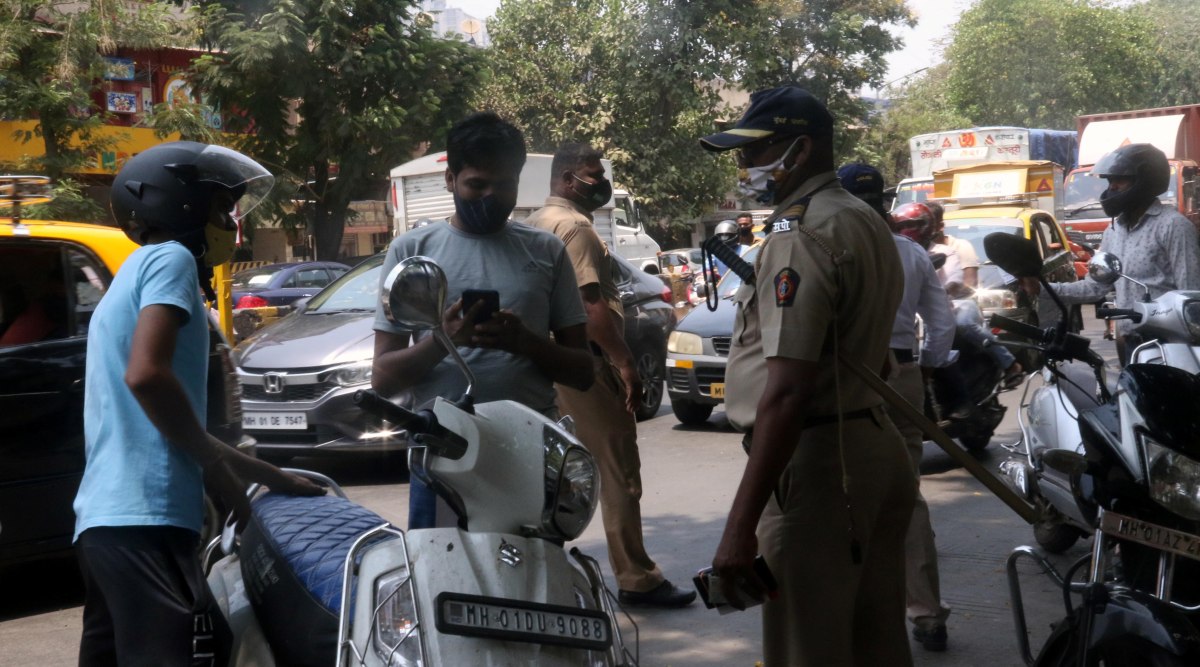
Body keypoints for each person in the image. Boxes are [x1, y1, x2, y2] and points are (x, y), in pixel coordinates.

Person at [73, 141, 325, 667]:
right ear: (179, 207)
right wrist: (218, 467)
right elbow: (147, 376)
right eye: (221, 208)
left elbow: (159, 421)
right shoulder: (172, 258)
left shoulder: (131, 276)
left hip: (105, 522)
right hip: (147, 519)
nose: (231, 225)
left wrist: (258, 474)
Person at [702, 86, 916, 666]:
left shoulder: (798, 235)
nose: (744, 168)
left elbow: (789, 390)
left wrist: (739, 529)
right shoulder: (861, 219)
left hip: (821, 467)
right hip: (870, 447)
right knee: (876, 642)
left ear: (798, 151)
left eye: (754, 153)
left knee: (808, 649)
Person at [371, 112, 595, 529]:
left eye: (505, 185)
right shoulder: (411, 252)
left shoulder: (547, 252)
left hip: (529, 451)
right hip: (441, 455)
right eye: (477, 184)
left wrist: (527, 343)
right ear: (450, 180)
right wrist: (445, 339)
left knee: (532, 585)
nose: (491, 196)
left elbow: (583, 372)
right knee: (442, 581)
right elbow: (383, 379)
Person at [526, 142, 696, 608]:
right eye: (591, 174)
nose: (601, 182)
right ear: (566, 180)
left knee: (555, 477)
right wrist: (624, 362)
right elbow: (591, 307)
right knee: (619, 472)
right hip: (588, 366)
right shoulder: (575, 227)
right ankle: (637, 577)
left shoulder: (539, 223)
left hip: (552, 365)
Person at [840, 163, 956, 651]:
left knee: (844, 493)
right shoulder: (911, 252)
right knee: (905, 495)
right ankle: (926, 612)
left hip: (848, 380)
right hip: (904, 375)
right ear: (884, 200)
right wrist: (923, 368)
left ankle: (851, 612)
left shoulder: (833, 248)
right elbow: (942, 324)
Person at [1020, 143, 1200, 364]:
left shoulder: (1173, 226)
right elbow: (1095, 287)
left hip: (1170, 345)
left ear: (1144, 181)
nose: (1111, 188)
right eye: (1109, 181)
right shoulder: (1113, 231)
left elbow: (1191, 295)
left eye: (1119, 180)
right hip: (1130, 342)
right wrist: (1043, 288)